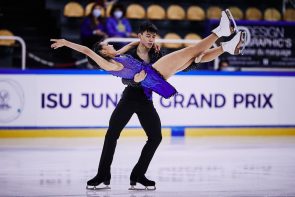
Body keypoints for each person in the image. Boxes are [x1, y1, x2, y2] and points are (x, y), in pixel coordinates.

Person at [51, 9, 246, 99]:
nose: (108, 44)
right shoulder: (109, 65)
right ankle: (222, 31)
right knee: (191, 51)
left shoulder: (117, 57)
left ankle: (228, 47)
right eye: (105, 45)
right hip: (154, 72)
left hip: (155, 74)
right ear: (102, 52)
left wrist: (139, 41)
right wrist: (67, 42)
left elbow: (130, 45)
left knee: (197, 57)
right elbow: (86, 50)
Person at [87, 21, 163, 191]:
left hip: (146, 100)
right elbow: (122, 76)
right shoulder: (128, 51)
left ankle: (138, 175)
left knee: (156, 137)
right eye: (147, 36)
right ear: (140, 36)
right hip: (129, 98)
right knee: (111, 135)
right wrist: (133, 80)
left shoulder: (157, 53)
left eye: (153, 36)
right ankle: (102, 175)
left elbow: (161, 73)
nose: (151, 39)